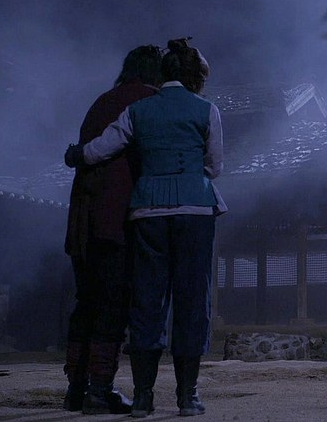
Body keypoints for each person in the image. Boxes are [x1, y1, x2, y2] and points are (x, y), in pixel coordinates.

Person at [65, 37, 226, 417]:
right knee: (192, 300)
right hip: (194, 210)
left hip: (147, 211)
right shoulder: (206, 109)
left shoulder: (136, 110)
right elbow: (214, 166)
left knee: (148, 301)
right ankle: (187, 397)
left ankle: (142, 397)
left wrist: (75, 155)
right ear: (195, 76)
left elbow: (99, 149)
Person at [63, 45, 162, 414]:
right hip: (116, 216)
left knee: (86, 301)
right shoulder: (147, 102)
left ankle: (75, 389)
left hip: (82, 219)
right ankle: (99, 390)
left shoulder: (102, 100)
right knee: (113, 302)